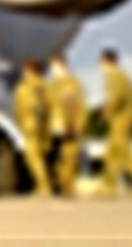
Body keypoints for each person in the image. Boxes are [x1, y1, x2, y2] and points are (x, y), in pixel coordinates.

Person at [98, 49, 132, 196]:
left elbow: (117, 97)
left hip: (122, 119)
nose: (100, 66)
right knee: (112, 153)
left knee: (125, 153)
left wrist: (106, 111)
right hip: (119, 119)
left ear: (106, 61)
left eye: (101, 62)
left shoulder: (116, 76)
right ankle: (107, 185)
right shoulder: (120, 76)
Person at [46, 54, 86, 197]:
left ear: (63, 66)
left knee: (70, 156)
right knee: (57, 156)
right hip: (55, 125)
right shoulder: (52, 84)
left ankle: (68, 186)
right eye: (52, 68)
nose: (53, 70)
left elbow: (79, 104)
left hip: (69, 124)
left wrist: (79, 122)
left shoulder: (72, 83)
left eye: (55, 67)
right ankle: (61, 184)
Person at [13, 59, 51, 196]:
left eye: (24, 70)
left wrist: (20, 124)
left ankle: (44, 186)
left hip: (29, 125)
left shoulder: (23, 87)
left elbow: (19, 108)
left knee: (33, 157)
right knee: (40, 156)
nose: (23, 73)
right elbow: (50, 105)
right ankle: (43, 186)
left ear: (29, 71)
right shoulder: (45, 85)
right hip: (43, 124)